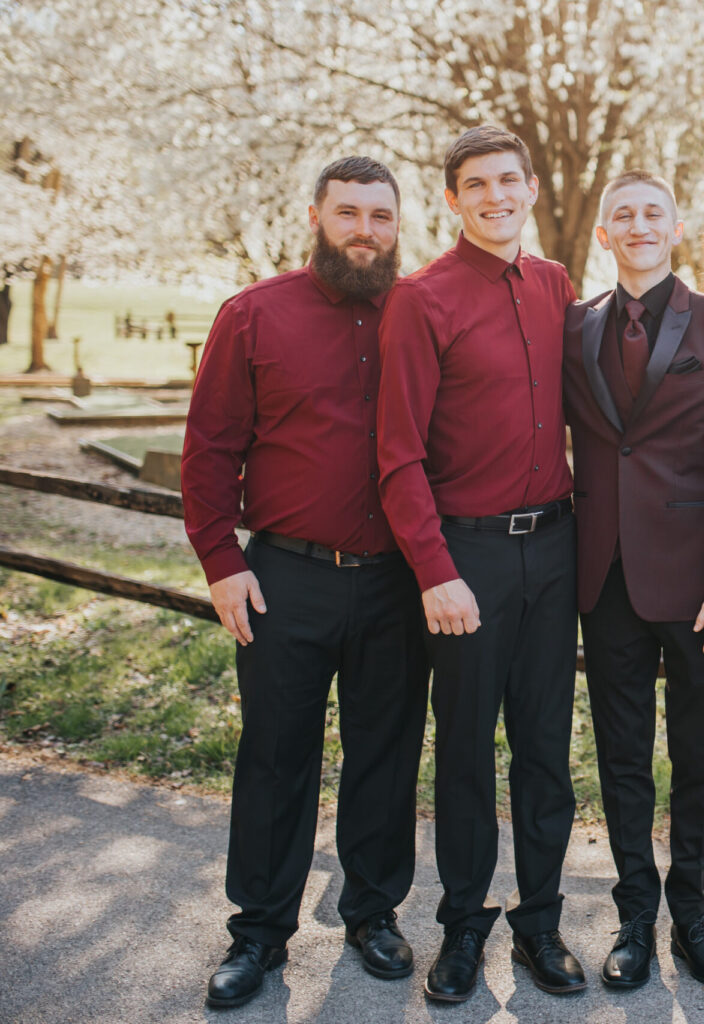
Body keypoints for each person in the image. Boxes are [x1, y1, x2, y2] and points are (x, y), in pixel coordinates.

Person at [183, 156, 428, 1010]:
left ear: (401, 225)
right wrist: (221, 561)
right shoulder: (255, 314)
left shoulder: (420, 311)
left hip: (399, 582)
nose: (366, 230)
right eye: (349, 213)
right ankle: (257, 934)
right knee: (276, 758)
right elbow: (210, 449)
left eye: (381, 216)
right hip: (284, 578)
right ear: (317, 216)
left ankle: (372, 913)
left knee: (386, 757)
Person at [376, 126, 583, 1002]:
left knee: (543, 747)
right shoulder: (421, 299)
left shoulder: (554, 285)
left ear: (531, 188)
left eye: (508, 180)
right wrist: (434, 569)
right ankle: (463, 928)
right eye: (475, 184)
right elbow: (397, 454)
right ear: (453, 199)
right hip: (466, 557)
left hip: (557, 547)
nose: (494, 196)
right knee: (464, 749)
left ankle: (540, 924)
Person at [561, 171, 704, 990]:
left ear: (676, 227)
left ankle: (691, 916)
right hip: (603, 573)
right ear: (605, 235)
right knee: (620, 756)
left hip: (697, 582)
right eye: (623, 215)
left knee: (692, 753)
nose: (638, 224)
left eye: (652, 212)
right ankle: (631, 920)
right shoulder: (575, 326)